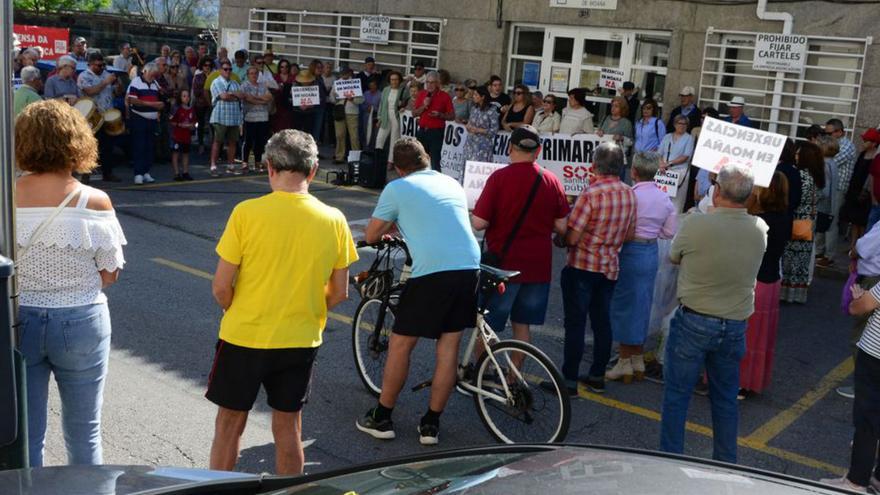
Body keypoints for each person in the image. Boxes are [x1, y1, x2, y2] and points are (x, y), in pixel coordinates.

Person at [208, 129, 357, 475]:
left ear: (269, 167)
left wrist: (240, 308)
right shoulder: (334, 219)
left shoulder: (246, 212)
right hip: (300, 338)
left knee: (229, 424)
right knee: (289, 428)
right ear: (314, 169)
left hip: (245, 335)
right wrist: (305, 307)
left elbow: (220, 286)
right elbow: (340, 292)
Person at [15, 99, 126, 467]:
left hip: (19, 319)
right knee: (85, 431)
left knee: (26, 433)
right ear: (77, 142)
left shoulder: (5, 196)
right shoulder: (94, 200)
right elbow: (110, 272)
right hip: (81, 318)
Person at [356, 137, 480, 446]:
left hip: (433, 272)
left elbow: (372, 234)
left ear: (398, 169)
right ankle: (430, 425)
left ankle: (382, 416)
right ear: (426, 158)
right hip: (469, 266)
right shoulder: (450, 182)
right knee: (448, 347)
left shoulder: (397, 188)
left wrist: (392, 225)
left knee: (401, 344)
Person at [660, 164, 768, 463]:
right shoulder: (759, 228)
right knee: (725, 399)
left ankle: (669, 462)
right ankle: (726, 462)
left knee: (677, 396)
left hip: (694, 318)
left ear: (717, 192)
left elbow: (673, 255)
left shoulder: (697, 224)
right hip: (734, 324)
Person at [471, 125, 570, 344]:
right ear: (538, 151)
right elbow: (562, 226)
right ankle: (514, 377)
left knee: (488, 324)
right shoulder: (552, 180)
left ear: (510, 148)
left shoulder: (499, 178)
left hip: (503, 266)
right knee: (522, 325)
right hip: (538, 266)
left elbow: (478, 223)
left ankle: (480, 370)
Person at [557, 143, 636, 395]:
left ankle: (569, 379)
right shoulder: (629, 193)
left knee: (576, 324)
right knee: (602, 322)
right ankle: (597, 375)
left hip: (582, 265)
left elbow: (571, 237)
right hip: (609, 266)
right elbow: (630, 234)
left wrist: (559, 236)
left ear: (594, 166)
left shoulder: (590, 194)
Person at [606, 151, 677, 384]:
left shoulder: (630, 195)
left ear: (634, 172)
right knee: (642, 303)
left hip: (630, 250)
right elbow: (669, 232)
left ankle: (625, 361)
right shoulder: (664, 198)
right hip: (650, 252)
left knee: (625, 305)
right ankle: (635, 358)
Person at [820, 278, 880, 492]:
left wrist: (856, 301)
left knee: (867, 419)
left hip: (875, 354)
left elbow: (863, 306)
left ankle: (856, 480)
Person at [739, 172, 793, 399]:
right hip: (771, 280)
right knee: (761, 335)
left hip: (755, 280)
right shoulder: (784, 217)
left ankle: (738, 382)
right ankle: (751, 381)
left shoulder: (760, 221)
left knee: (746, 334)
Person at [780, 141, 823, 304]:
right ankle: (798, 293)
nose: (795, 157)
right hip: (810, 220)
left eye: (798, 154)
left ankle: (786, 293)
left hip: (797, 218)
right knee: (803, 259)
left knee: (790, 256)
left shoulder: (802, 175)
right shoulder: (817, 175)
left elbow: (796, 199)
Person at [79, 52, 123, 183]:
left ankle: (107, 173)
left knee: (108, 146)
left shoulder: (106, 75)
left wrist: (118, 85)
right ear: (90, 64)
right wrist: (105, 82)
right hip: (92, 117)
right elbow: (90, 91)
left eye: (103, 65)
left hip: (107, 114)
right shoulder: (84, 76)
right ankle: (85, 174)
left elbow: (116, 92)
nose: (102, 67)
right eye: (98, 65)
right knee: (90, 146)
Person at [841, 129, 879, 248]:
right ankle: (853, 244)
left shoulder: (876, 157)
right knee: (853, 220)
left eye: (867, 140)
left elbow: (871, 177)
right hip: (855, 189)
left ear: (874, 143)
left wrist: (867, 192)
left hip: (865, 193)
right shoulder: (863, 154)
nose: (864, 142)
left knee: (862, 221)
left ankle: (860, 245)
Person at [126, 62, 163, 185]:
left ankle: (146, 171)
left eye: (155, 75)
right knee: (139, 146)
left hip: (151, 119)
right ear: (146, 72)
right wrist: (152, 104)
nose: (154, 77)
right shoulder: (136, 82)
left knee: (149, 147)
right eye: (152, 75)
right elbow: (133, 100)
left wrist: (158, 106)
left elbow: (159, 97)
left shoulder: (155, 83)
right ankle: (138, 173)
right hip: (139, 117)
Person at [413, 71, 454, 172]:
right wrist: (424, 105)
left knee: (435, 161)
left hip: (436, 132)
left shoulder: (445, 96)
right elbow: (414, 113)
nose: (429, 85)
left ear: (438, 83)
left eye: (432, 82)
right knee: (419, 160)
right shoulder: (422, 94)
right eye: (427, 82)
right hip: (422, 131)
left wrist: (440, 115)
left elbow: (452, 116)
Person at [209, 61, 244, 176]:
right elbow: (223, 96)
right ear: (220, 70)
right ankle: (213, 166)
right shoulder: (216, 82)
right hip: (220, 116)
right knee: (217, 141)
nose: (228, 71)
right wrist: (234, 96)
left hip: (234, 117)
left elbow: (241, 96)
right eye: (225, 69)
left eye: (230, 69)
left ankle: (231, 165)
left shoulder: (235, 83)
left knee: (232, 142)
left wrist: (231, 95)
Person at [241, 66, 273, 172]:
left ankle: (257, 162)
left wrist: (256, 98)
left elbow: (269, 98)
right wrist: (261, 100)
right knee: (248, 141)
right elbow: (248, 99)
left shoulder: (263, 85)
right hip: (250, 117)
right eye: (251, 73)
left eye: (255, 73)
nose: (254, 75)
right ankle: (245, 162)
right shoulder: (244, 86)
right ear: (248, 75)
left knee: (260, 141)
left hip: (263, 117)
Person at [815, 135, 840, 267]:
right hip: (830, 203)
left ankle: (826, 255)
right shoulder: (832, 163)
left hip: (823, 204)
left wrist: (814, 197)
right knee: (828, 228)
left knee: (824, 229)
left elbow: (824, 189)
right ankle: (823, 253)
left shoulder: (824, 165)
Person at [331, 67, 363, 164]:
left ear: (350, 74)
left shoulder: (355, 84)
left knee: (354, 136)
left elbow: (361, 100)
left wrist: (353, 99)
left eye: (346, 73)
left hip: (352, 112)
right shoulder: (336, 83)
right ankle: (339, 156)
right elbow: (331, 98)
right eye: (342, 73)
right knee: (339, 135)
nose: (344, 75)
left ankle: (355, 158)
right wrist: (336, 98)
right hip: (340, 111)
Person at [375, 71, 406, 166]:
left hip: (396, 117)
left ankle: (391, 161)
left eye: (396, 79)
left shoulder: (404, 90)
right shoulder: (386, 90)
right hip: (385, 116)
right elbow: (381, 104)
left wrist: (404, 108)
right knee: (380, 138)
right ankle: (377, 158)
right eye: (392, 79)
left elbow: (408, 101)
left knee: (394, 140)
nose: (394, 81)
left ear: (399, 80)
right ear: (389, 81)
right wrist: (379, 117)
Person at [462, 87, 499, 163]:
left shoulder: (491, 111)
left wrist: (478, 130)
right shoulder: (474, 108)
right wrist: (468, 126)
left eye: (476, 95)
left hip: (483, 146)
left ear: (483, 97)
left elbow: (494, 130)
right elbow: (470, 122)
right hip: (470, 144)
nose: (473, 96)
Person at [170, 89, 196, 181]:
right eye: (184, 96)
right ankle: (176, 173)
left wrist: (192, 126)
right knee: (176, 153)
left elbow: (193, 122)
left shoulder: (191, 110)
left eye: (188, 96)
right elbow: (171, 122)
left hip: (186, 136)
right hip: (177, 135)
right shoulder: (176, 108)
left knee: (186, 154)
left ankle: (185, 172)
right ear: (180, 97)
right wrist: (180, 125)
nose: (186, 98)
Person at [192, 57, 215, 155]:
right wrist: (205, 92)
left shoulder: (214, 77)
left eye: (209, 65)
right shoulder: (198, 76)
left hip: (212, 103)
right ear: (202, 66)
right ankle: (200, 144)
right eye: (205, 65)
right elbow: (196, 91)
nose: (207, 67)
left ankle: (213, 146)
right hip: (201, 104)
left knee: (213, 125)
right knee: (201, 125)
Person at [271, 59, 295, 133]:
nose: (284, 69)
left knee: (288, 124)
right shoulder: (275, 77)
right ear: (279, 68)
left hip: (289, 104)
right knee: (277, 124)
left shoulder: (293, 77)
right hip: (277, 104)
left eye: (286, 66)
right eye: (282, 67)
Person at [360, 79, 381, 149]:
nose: (372, 87)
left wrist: (373, 108)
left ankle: (373, 149)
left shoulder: (380, 94)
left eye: (373, 85)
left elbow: (381, 107)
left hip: (376, 116)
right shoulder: (365, 93)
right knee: (365, 131)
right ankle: (365, 148)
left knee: (374, 133)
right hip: (366, 115)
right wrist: (366, 108)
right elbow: (361, 104)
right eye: (370, 85)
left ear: (376, 86)